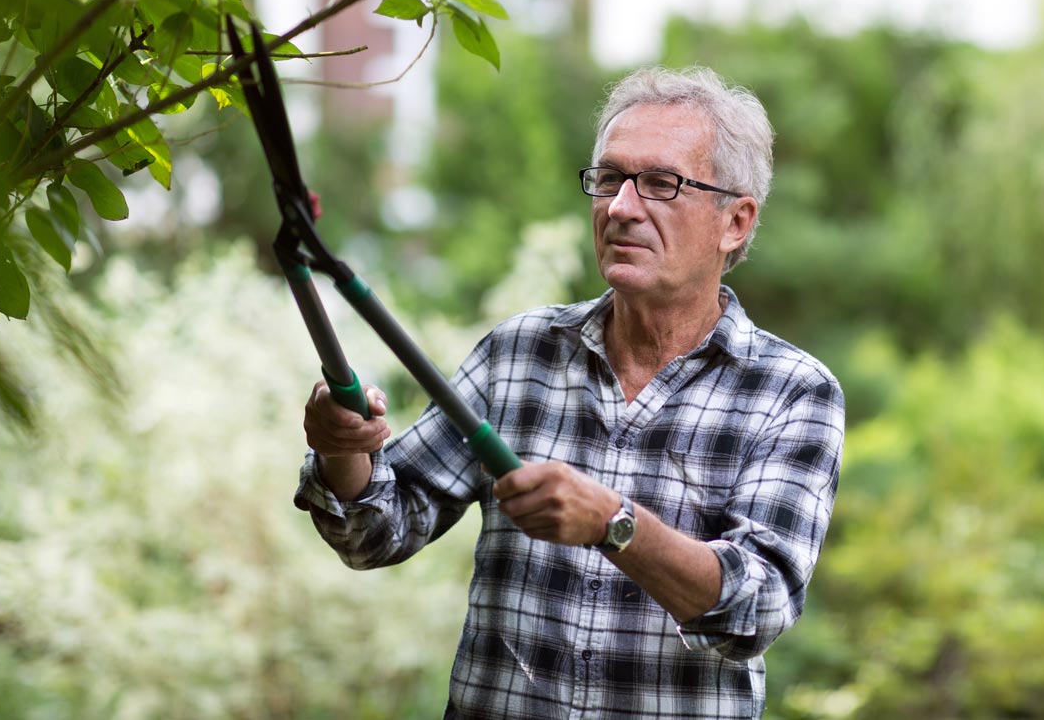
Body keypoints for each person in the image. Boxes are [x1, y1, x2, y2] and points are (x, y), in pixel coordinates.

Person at [294, 66, 846, 720]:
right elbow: (374, 532)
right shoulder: (518, 353)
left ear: (735, 222)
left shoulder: (792, 392)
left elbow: (756, 610)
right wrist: (341, 451)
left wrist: (616, 524)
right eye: (609, 178)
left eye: (661, 184)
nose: (620, 207)